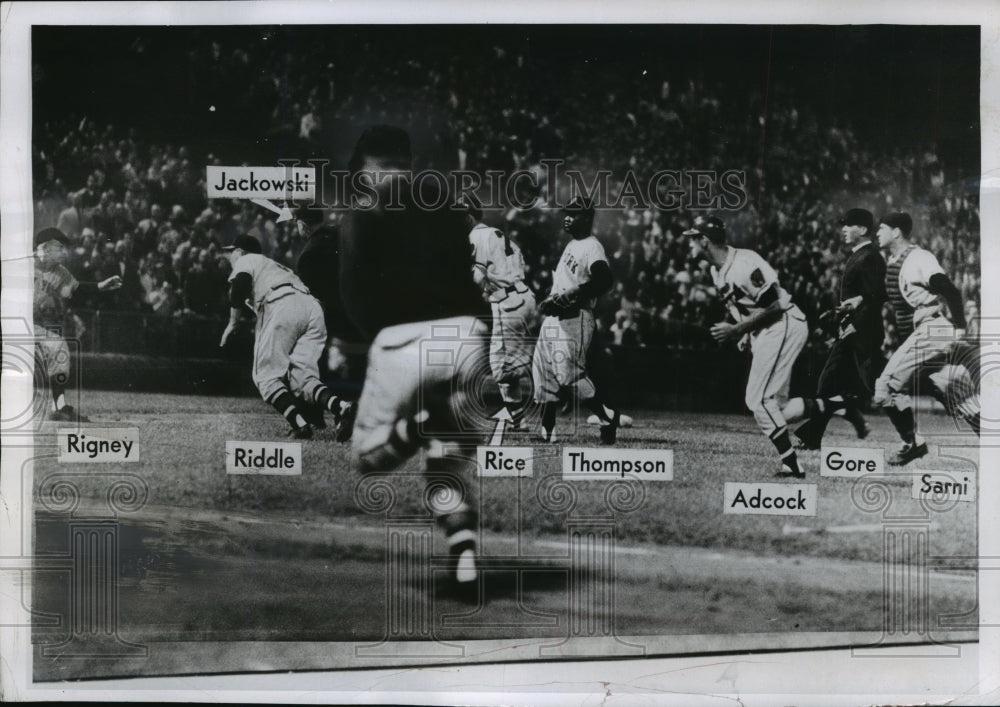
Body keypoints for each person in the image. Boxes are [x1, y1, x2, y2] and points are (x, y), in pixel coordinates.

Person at [338, 125, 491, 597]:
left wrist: (358, 347)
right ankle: (463, 549)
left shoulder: (361, 213)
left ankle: (416, 426)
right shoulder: (444, 199)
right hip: (468, 338)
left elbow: (354, 295)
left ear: (365, 170)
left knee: (365, 457)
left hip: (402, 343)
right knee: (442, 468)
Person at [686, 215, 809, 478]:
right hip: (768, 327)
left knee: (758, 399)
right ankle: (831, 406)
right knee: (778, 405)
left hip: (784, 321)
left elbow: (775, 305)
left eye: (693, 239)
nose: (690, 244)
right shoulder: (715, 270)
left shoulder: (744, 263)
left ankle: (792, 464)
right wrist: (744, 331)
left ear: (705, 241)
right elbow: (745, 306)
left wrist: (737, 329)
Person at [218, 234, 352, 439]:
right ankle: (342, 408)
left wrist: (232, 323)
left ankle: (300, 425)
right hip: (311, 307)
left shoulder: (247, 260)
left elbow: (239, 289)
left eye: (231, 251)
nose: (229, 256)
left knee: (265, 376)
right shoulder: (274, 266)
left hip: (280, 302)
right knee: (303, 379)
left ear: (241, 251)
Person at [872, 212, 972, 464]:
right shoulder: (894, 261)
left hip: (934, 328)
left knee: (884, 387)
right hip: (927, 330)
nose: (877, 233)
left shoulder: (918, 258)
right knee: (952, 393)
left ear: (896, 232)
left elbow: (950, 289)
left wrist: (960, 325)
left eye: (881, 228)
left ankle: (912, 444)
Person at [786, 208, 886, 449]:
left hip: (860, 333)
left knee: (829, 384)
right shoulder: (861, 255)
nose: (843, 229)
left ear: (862, 229)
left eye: (848, 225)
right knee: (833, 385)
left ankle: (845, 419)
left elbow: (874, 298)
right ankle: (837, 423)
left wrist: (854, 325)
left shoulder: (869, 256)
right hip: (856, 330)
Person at [531, 196, 622, 444]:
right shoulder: (573, 244)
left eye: (573, 213)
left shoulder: (592, 246)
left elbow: (604, 280)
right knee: (543, 372)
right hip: (555, 319)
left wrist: (570, 296)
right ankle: (547, 431)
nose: (567, 217)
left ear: (587, 218)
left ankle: (606, 418)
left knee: (569, 376)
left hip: (575, 317)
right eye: (566, 213)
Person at [33, 227, 122, 421]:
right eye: (59, 247)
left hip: (34, 327)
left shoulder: (60, 272)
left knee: (58, 346)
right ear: (45, 248)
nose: (64, 251)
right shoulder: (22, 264)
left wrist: (101, 286)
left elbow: (77, 290)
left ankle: (59, 405)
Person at [463, 194, 537, 424]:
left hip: (508, 302)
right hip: (521, 296)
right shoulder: (496, 233)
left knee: (502, 366)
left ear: (468, 215)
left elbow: (476, 277)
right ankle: (517, 417)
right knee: (504, 361)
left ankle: (553, 378)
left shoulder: (476, 236)